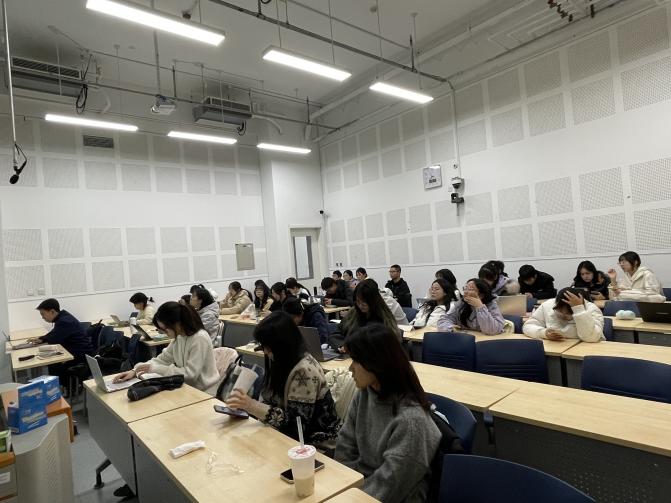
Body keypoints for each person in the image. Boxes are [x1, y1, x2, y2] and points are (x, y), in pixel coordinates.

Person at [335, 324, 441, 503]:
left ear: (376, 363)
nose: (350, 368)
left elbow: (389, 487)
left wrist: (350, 496)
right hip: (359, 487)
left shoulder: (411, 421)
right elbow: (345, 447)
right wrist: (343, 486)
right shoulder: (365, 393)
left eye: (356, 361)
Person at [226, 312, 340, 449]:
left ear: (282, 344)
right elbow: (269, 401)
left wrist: (252, 406)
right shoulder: (282, 361)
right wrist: (245, 407)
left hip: (315, 443)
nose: (265, 351)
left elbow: (297, 426)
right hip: (286, 436)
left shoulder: (305, 371)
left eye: (268, 346)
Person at [113, 302, 219, 394]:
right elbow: (161, 360)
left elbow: (190, 375)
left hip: (204, 391)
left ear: (178, 324)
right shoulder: (179, 337)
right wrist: (135, 370)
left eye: (165, 329)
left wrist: (154, 369)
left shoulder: (199, 338)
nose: (164, 333)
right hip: (187, 387)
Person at [28, 298, 93, 382]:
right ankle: (59, 385)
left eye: (43, 314)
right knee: (52, 361)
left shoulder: (64, 321)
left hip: (81, 355)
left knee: (53, 362)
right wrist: (41, 339)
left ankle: (62, 386)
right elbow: (54, 332)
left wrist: (43, 340)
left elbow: (54, 340)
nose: (42, 317)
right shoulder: (62, 317)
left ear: (52, 311)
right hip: (75, 351)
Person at [329, 280, 400, 350]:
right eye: (358, 301)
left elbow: (389, 343)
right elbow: (336, 334)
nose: (360, 305)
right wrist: (341, 345)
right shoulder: (353, 313)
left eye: (364, 302)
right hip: (350, 354)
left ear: (373, 301)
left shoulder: (384, 316)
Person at [523, 288, 604, 342]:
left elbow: (591, 337)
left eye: (568, 313)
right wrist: (544, 333)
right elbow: (528, 326)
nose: (564, 315)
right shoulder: (548, 305)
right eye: (560, 311)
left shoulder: (592, 309)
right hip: (556, 350)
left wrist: (579, 310)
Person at [437, 279, 505, 335]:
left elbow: (492, 330)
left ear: (481, 295)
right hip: (466, 340)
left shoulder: (491, 305)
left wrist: (480, 307)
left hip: (485, 342)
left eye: (470, 289)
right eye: (465, 288)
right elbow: (443, 320)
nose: (465, 292)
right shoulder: (461, 304)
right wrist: (450, 328)